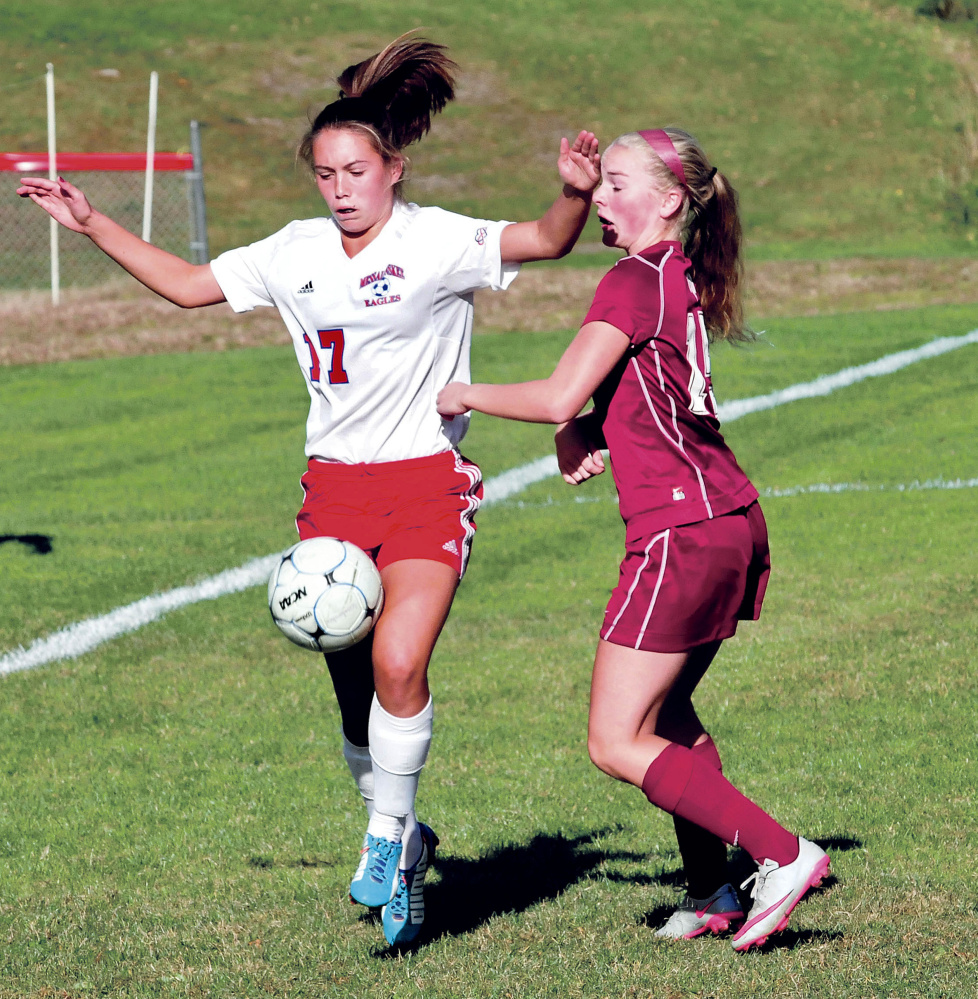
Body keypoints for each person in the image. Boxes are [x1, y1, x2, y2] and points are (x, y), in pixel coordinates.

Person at [19, 33, 601, 948]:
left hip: (424, 484)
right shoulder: (292, 251)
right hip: (331, 498)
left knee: (401, 663)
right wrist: (91, 222)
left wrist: (572, 192)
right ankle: (408, 843)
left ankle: (381, 838)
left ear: (393, 168)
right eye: (326, 172)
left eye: (356, 169)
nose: (340, 187)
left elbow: (547, 240)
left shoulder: (439, 239)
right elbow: (184, 287)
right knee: (354, 697)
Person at [436, 127, 829, 951]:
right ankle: (715, 886)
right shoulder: (672, 274)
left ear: (670, 200)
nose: (601, 201)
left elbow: (553, 394)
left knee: (615, 738)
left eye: (616, 185)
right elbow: (637, 391)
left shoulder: (632, 277)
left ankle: (783, 854)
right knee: (669, 714)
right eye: (599, 184)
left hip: (682, 532)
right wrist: (583, 427)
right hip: (726, 520)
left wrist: (456, 391)